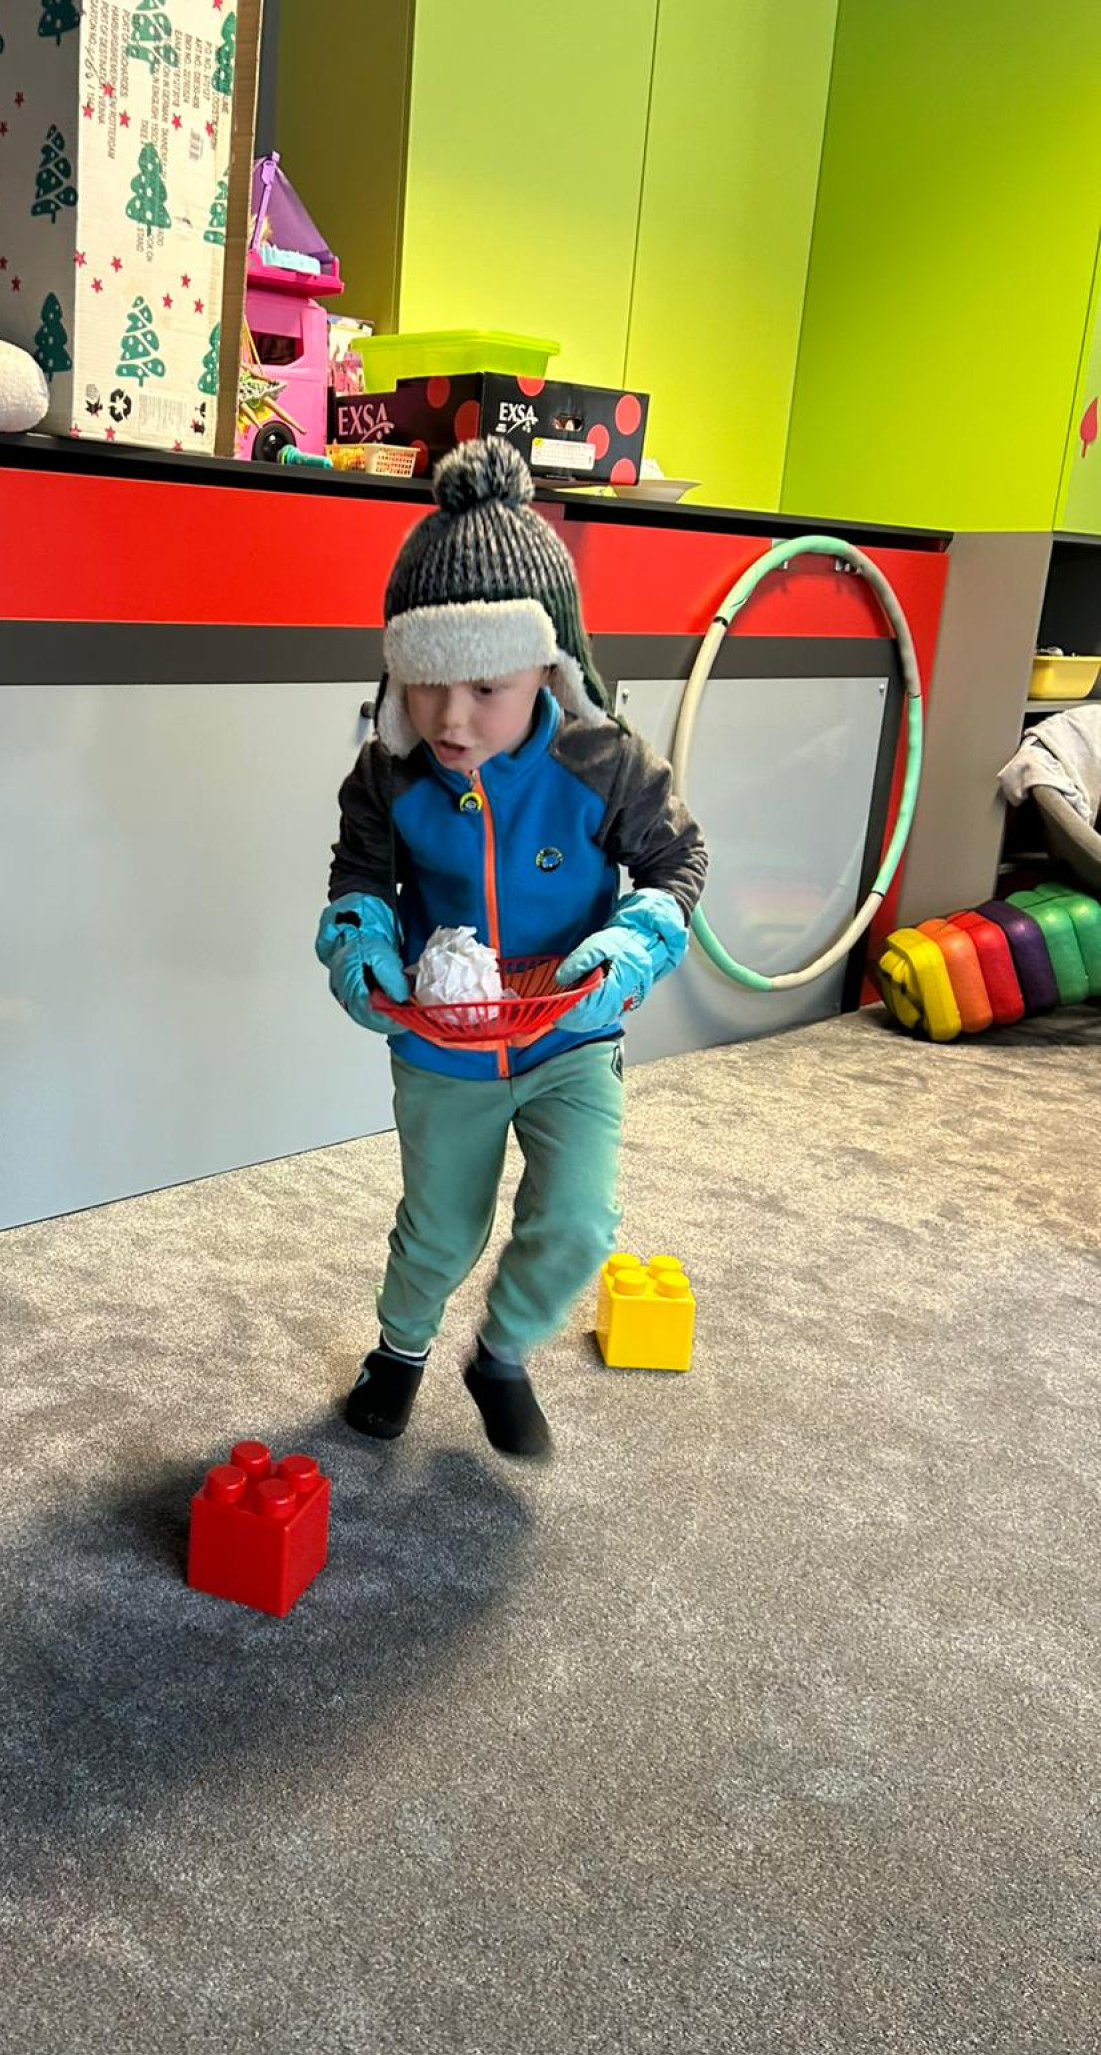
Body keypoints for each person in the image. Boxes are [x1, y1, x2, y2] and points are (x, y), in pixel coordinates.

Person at [315, 436, 708, 1456]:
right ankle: (399, 1349)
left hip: (570, 1037)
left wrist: (632, 947)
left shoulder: (603, 762)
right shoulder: (387, 774)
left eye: (486, 686)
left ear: (550, 663)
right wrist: (358, 943)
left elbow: (676, 863)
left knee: (577, 1221)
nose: (451, 718)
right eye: (425, 683)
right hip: (441, 1045)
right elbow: (359, 877)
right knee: (438, 1227)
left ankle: (500, 1354)